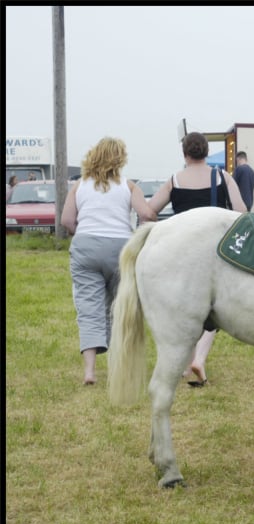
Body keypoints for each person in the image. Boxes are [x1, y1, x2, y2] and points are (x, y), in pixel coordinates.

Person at [148, 131, 247, 387]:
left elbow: (150, 211)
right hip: (214, 251)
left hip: (181, 250)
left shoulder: (174, 180)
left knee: (186, 305)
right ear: (205, 152)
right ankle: (199, 359)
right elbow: (241, 212)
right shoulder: (221, 176)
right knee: (214, 308)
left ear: (184, 154)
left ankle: (186, 361)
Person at [60, 137, 157, 385]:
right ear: (120, 159)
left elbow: (66, 221)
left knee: (88, 307)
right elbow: (146, 214)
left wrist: (85, 230)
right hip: (120, 249)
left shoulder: (79, 185)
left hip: (86, 247)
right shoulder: (128, 186)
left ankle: (90, 372)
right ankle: (119, 368)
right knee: (119, 308)